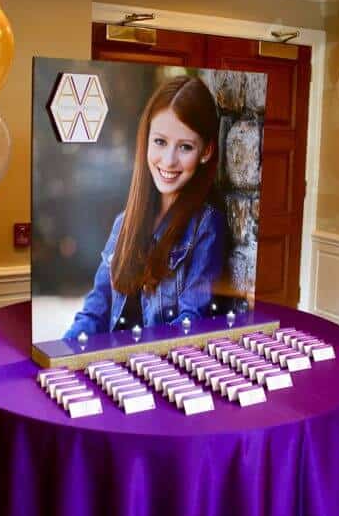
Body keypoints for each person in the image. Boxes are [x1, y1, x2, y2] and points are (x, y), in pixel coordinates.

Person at [63, 75, 227, 339]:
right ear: (146, 139)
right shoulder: (124, 222)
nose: (168, 160)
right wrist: (57, 359)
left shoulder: (206, 225)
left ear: (206, 151)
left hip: (158, 372)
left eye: (185, 147)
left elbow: (190, 323)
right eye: (160, 142)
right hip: (109, 368)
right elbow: (94, 312)